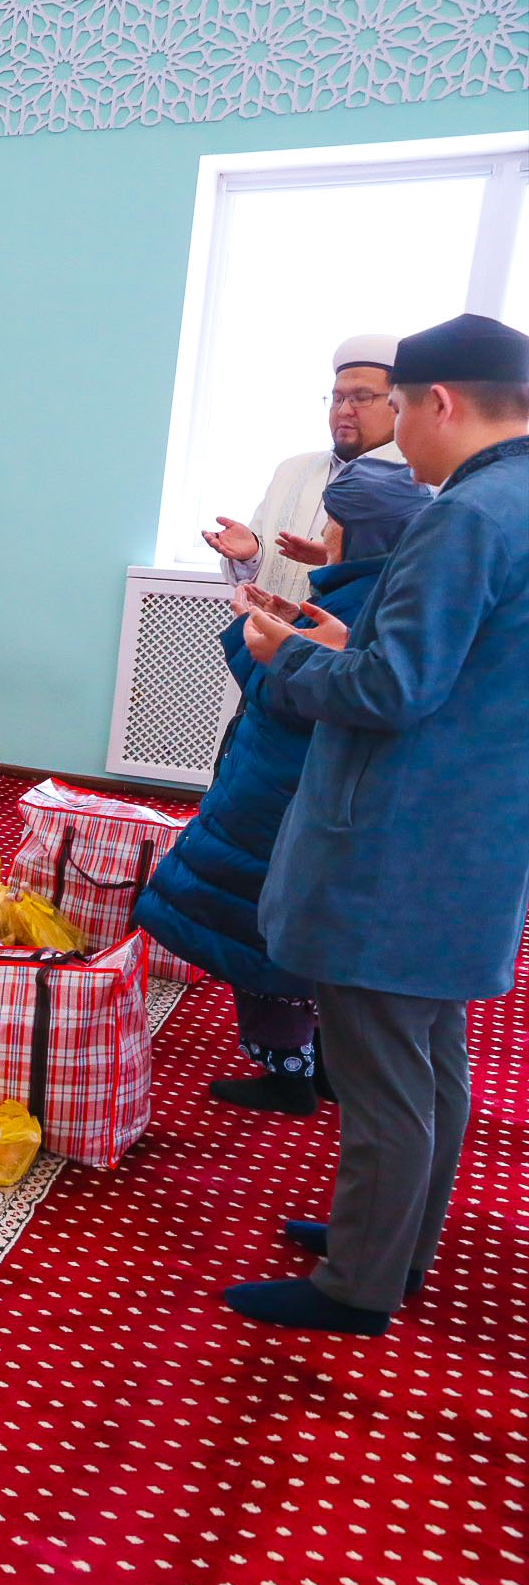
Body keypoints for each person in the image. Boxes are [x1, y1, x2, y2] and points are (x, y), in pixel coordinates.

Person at [224, 312, 529, 1337]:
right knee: (431, 1054)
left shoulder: (468, 514)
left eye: (394, 408)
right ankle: (398, 1244)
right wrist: (346, 639)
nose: (395, 434)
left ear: (438, 402)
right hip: (477, 828)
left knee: (383, 1068)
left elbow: (392, 690)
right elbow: (460, 665)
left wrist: (287, 659)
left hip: (406, 838)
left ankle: (357, 1284)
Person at [134, 458, 434, 1116]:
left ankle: (286, 1073)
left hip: (279, 799)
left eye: (332, 526)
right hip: (315, 797)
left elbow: (291, 694)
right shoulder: (397, 593)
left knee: (262, 944)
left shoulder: (359, 598)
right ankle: (326, 1068)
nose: (322, 536)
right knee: (309, 948)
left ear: (356, 533)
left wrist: (252, 635)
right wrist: (286, 622)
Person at [203, 334, 405, 604]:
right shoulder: (292, 470)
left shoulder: (415, 480)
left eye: (361, 397)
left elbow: (411, 581)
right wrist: (251, 554)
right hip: (264, 627)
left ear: (398, 403)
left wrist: (336, 558)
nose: (343, 411)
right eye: (337, 398)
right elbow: (251, 572)